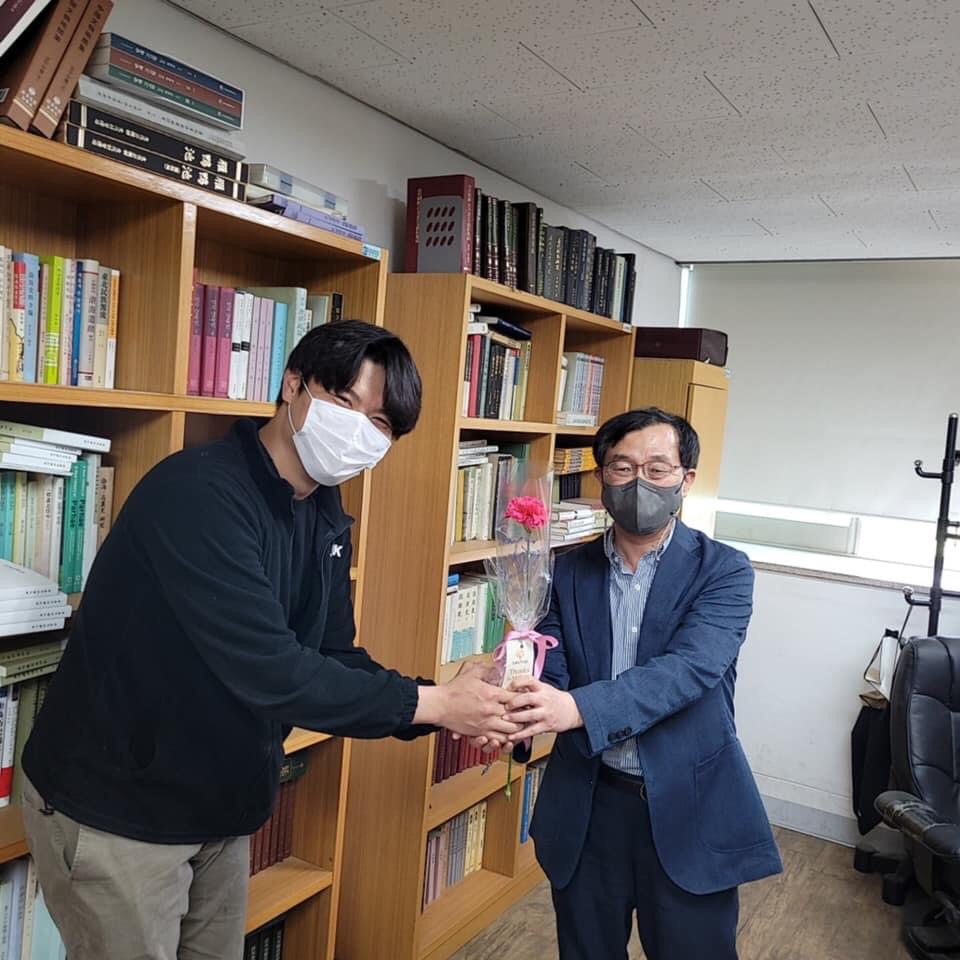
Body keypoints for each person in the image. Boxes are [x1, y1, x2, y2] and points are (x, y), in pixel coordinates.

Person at [20, 320, 519, 960]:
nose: (359, 430)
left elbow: (333, 656)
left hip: (221, 805)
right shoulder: (199, 493)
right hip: (117, 808)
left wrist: (444, 702)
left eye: (381, 424)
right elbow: (272, 671)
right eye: (345, 402)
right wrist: (438, 705)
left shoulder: (324, 513)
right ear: (293, 385)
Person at [503, 407, 782, 960]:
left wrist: (577, 709)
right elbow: (552, 670)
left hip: (686, 808)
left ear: (686, 479)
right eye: (622, 467)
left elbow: (690, 669)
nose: (639, 482)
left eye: (657, 469)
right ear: (601, 476)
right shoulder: (564, 569)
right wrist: (516, 689)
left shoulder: (724, 570)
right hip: (588, 806)